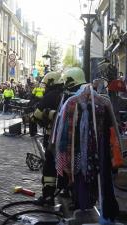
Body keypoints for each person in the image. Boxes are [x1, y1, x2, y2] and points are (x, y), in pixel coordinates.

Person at [33, 68, 86, 206]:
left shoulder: (52, 96)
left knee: (50, 167)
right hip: (74, 140)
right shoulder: (77, 95)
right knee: (69, 166)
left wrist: (46, 114)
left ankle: (48, 196)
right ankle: (67, 191)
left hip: (54, 137)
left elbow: (37, 115)